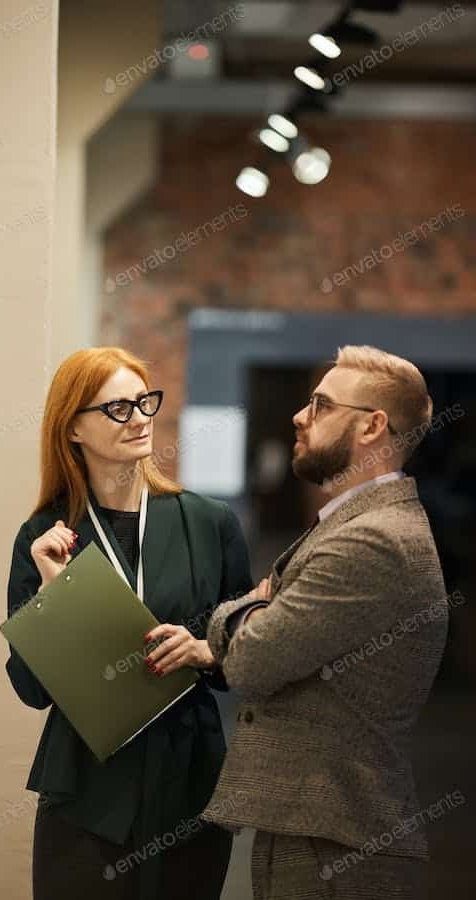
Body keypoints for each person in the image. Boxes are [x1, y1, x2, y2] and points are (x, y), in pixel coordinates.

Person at [201, 345, 449, 900]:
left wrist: (241, 610)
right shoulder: (354, 524)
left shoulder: (373, 539)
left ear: (372, 427)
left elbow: (252, 660)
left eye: (320, 405)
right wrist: (255, 612)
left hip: (335, 841)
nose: (299, 416)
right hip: (315, 828)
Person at [4, 346, 253, 900]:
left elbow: (245, 656)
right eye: (118, 409)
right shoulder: (44, 536)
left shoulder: (209, 523)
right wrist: (53, 592)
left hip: (189, 776)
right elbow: (30, 689)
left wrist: (205, 651)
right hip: (86, 787)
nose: (140, 418)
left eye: (144, 402)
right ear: (73, 429)